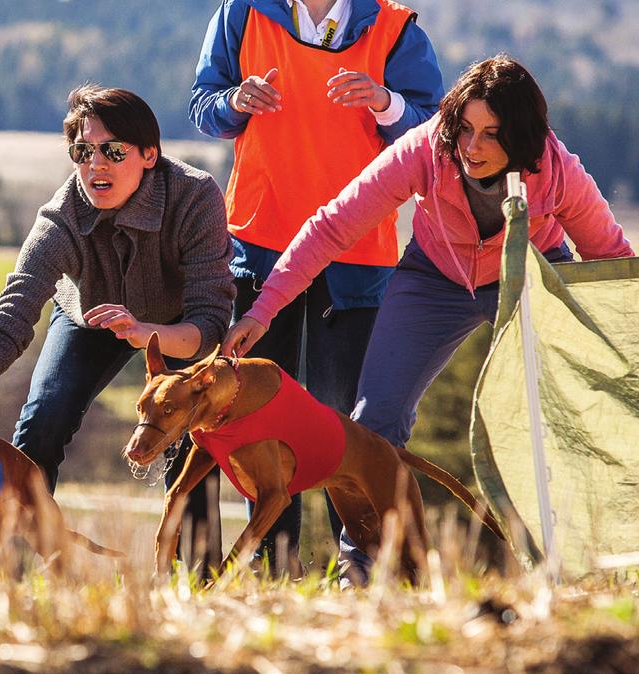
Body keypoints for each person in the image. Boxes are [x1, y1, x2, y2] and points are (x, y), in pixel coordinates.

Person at [223, 55, 635, 583]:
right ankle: (368, 570)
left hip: (529, 273)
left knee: (559, 416)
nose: (471, 147)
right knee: (373, 422)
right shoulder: (425, 148)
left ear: (523, 136)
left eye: (491, 134)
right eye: (465, 128)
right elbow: (332, 226)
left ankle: (572, 567)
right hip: (434, 278)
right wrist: (264, 308)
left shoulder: (557, 173)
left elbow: (611, 258)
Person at [0, 84, 235, 569]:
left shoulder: (195, 197)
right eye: (83, 151)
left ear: (150, 155)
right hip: (89, 316)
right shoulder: (62, 217)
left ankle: (198, 575)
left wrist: (146, 331)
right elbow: (14, 308)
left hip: (179, 324)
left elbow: (209, 324)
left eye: (113, 151)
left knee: (189, 432)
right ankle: (9, 570)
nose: (96, 165)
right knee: (42, 420)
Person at [190, 0, 444, 572]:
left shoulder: (394, 25)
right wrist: (233, 101)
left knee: (344, 424)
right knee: (259, 416)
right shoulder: (241, 13)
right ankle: (273, 566)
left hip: (357, 251)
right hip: (258, 241)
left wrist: (385, 102)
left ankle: (360, 571)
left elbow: (436, 129)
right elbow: (202, 106)